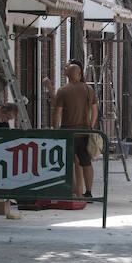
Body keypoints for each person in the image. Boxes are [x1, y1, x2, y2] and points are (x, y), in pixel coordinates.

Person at [51, 59, 97, 198]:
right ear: (79, 74)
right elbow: (95, 110)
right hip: (84, 132)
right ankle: (88, 192)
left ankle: (73, 191)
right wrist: (91, 126)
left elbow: (57, 112)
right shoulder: (89, 89)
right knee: (86, 162)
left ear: (68, 75)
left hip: (68, 133)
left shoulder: (63, 91)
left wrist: (56, 129)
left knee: (69, 162)